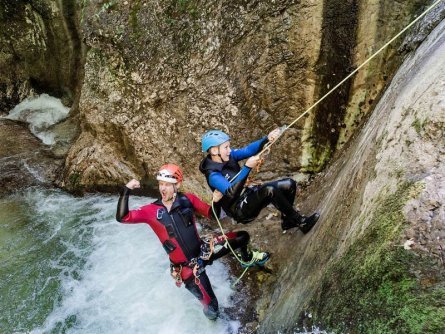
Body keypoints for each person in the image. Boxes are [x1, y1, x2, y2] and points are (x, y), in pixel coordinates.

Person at [116, 163, 270, 320]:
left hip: (204, 251)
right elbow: (123, 217)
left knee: (242, 237)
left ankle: (246, 259)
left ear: (178, 185)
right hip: (188, 269)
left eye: (168, 185)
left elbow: (212, 214)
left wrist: (216, 201)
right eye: (161, 184)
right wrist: (126, 189)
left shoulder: (188, 199)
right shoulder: (151, 211)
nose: (163, 188)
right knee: (212, 309)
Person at [199, 129, 320, 232]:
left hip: (248, 194)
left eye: (229, 146)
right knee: (269, 190)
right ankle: (301, 222)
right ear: (215, 151)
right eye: (226, 147)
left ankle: (288, 221)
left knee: (289, 184)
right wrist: (247, 167)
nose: (230, 150)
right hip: (239, 209)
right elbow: (231, 192)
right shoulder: (213, 175)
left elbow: (248, 151)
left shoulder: (228, 156)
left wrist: (266, 138)